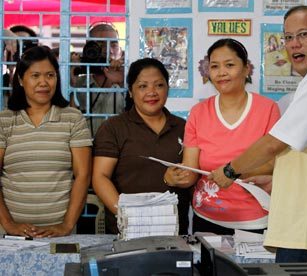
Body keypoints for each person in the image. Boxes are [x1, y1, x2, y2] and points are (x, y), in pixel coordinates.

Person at [210, 5, 307, 268]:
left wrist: (229, 171)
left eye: (303, 35)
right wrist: (276, 179)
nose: (294, 45)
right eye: (288, 37)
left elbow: (273, 143)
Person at [163, 38, 280, 235]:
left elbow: (272, 163)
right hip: (206, 218)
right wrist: (173, 178)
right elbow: (191, 169)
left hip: (255, 220)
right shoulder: (199, 112)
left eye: (230, 65)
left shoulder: (268, 109)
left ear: (246, 68)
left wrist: (232, 172)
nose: (221, 73)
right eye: (215, 66)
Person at [0, 46, 92, 237]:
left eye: (50, 75)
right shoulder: (5, 121)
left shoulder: (72, 119)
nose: (43, 82)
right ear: (20, 80)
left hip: (59, 233)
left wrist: (66, 226)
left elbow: (83, 175)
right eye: (35, 75)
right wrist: (9, 224)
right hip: (10, 234)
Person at [92, 58, 191, 235]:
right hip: (125, 230)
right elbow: (100, 177)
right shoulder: (113, 127)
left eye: (159, 85)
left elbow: (193, 173)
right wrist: (127, 215)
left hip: (173, 232)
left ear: (168, 88)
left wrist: (176, 178)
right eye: (143, 86)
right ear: (130, 91)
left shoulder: (184, 127)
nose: (151, 92)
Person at [71, 21, 125, 137]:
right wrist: (70, 81)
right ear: (88, 48)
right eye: (101, 44)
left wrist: (123, 83)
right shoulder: (78, 84)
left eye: (114, 44)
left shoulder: (128, 84)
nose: (109, 50)